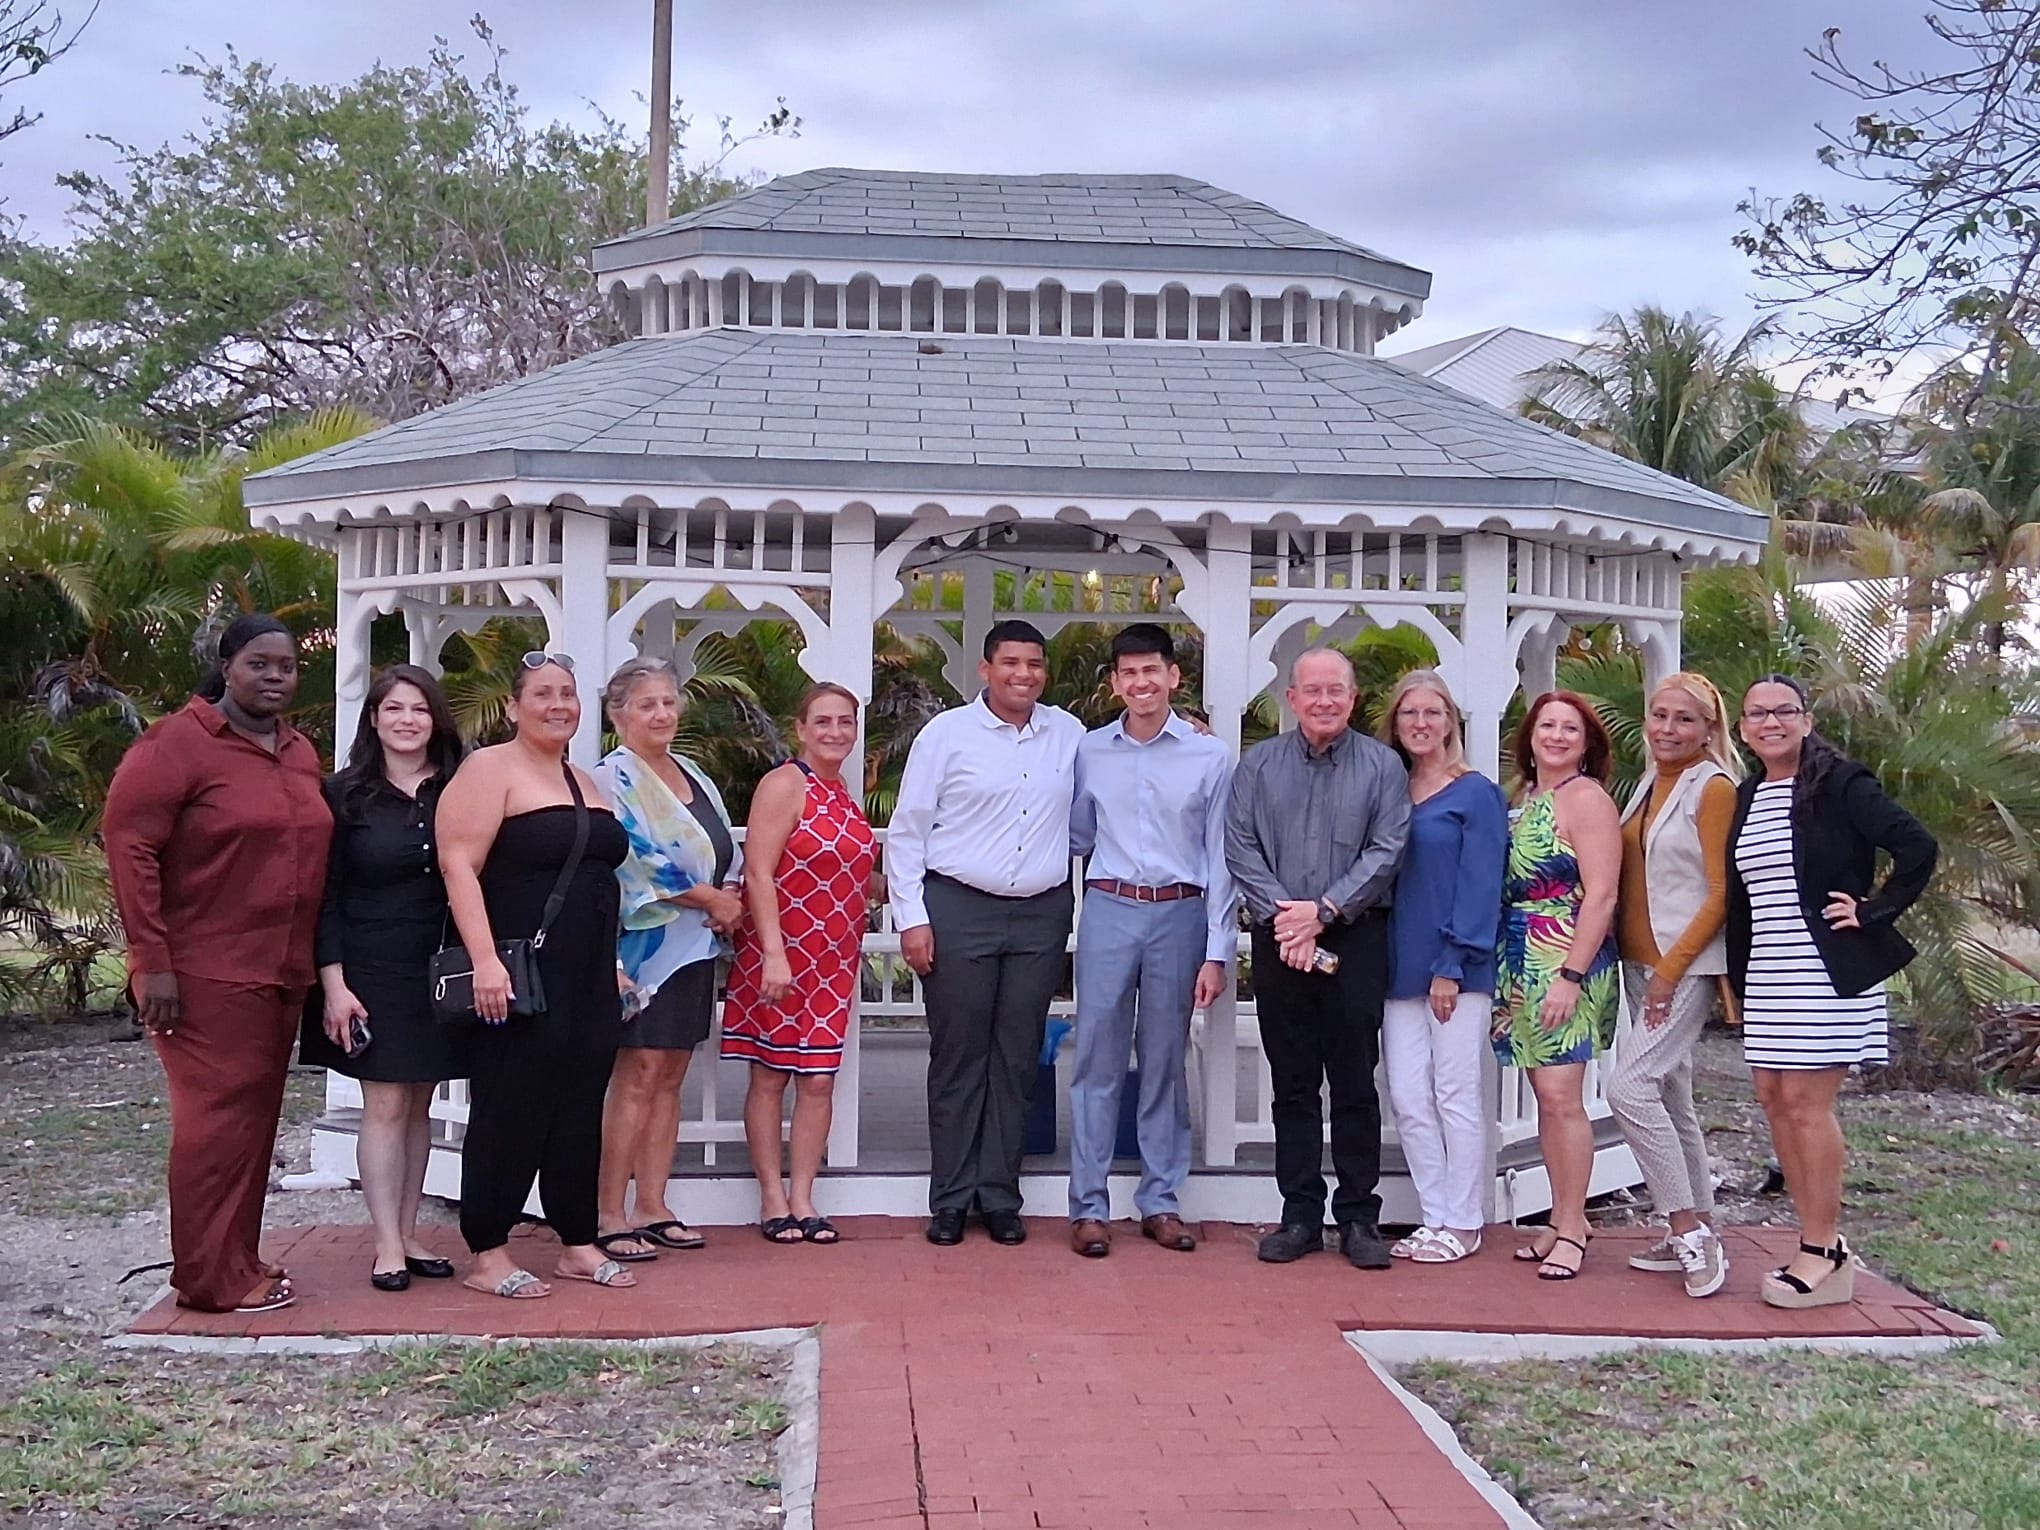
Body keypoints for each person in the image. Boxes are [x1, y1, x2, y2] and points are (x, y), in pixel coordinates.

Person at [102, 613, 331, 1314]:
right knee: (214, 1126)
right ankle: (206, 1280)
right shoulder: (176, 744)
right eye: (259, 664)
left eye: (286, 666)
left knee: (253, 1125)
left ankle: (237, 1258)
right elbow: (130, 848)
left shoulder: (297, 751)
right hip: (203, 972)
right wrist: (151, 962)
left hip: (282, 970)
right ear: (227, 666)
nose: (275, 677)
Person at [1729, 675, 1936, 1308]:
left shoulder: (1842, 784)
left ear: (1806, 721)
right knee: (1774, 1099)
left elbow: (1917, 846)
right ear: (1743, 729)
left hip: (1824, 970)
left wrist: (1873, 910)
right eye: (1758, 714)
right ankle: (1813, 1239)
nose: (1771, 722)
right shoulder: (1748, 794)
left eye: (1784, 711)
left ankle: (1823, 1249)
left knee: (1805, 1103)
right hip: (1770, 970)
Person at [435, 652, 635, 1299]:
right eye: (543, 694)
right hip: (518, 970)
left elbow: (594, 880)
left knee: (578, 1105)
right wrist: (485, 961)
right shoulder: (489, 768)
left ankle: (576, 1239)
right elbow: (458, 865)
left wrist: (611, 965)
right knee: (510, 1104)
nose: (558, 705)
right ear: (514, 706)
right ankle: (488, 1250)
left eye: (568, 694)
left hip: (588, 975)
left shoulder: (584, 779)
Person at [888, 619, 1084, 1247]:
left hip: (1040, 914)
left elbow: (1123, 764)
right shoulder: (946, 735)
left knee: (1017, 1056)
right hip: (958, 908)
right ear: (985, 669)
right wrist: (912, 917)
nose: (1023, 674)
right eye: (1010, 663)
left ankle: (999, 1195)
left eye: (1034, 664)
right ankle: (950, 1199)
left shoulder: (1070, 735)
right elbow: (909, 830)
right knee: (959, 1054)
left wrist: (1189, 730)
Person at [1225, 647, 1410, 1270]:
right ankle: (1300, 1214)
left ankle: (1358, 1217)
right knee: (1293, 1083)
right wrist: (1289, 919)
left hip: (1354, 939)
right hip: (1280, 940)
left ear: (1353, 698)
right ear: (1292, 699)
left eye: (1336, 690)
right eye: (1312, 690)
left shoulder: (1383, 767)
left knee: (1356, 1082)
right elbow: (1240, 845)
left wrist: (1324, 912)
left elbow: (1387, 849)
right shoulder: (1258, 765)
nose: (1324, 701)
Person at [1065, 625, 1235, 1259]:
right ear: (1115, 683)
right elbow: (1078, 832)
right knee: (1096, 1058)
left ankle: (1161, 1200)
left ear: (1173, 677)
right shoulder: (1090, 750)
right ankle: (1088, 1206)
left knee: (1164, 1059)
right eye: (1129, 673)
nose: (1141, 683)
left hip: (1180, 912)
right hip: (1110, 906)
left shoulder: (1209, 756)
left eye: (1152, 671)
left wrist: (1217, 950)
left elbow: (1221, 856)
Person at [301, 664, 467, 1293]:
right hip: (369, 967)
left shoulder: (459, 787)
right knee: (386, 1101)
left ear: (435, 719)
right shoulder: (343, 795)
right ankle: (386, 1244)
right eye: (394, 708)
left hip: (441, 965)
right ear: (374, 719)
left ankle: (410, 1231)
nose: (407, 720)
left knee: (421, 1099)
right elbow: (325, 896)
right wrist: (334, 984)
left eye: (419, 709)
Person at [589, 657, 743, 1262]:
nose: (661, 714)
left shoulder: (695, 773)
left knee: (672, 1075)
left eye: (669, 702)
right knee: (638, 1074)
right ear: (618, 715)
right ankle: (609, 1212)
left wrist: (727, 894)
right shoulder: (610, 779)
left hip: (696, 946)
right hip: (640, 950)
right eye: (647, 704)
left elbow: (724, 846)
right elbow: (637, 860)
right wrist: (711, 899)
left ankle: (652, 1204)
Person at [723, 682, 878, 1245]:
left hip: (833, 961)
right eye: (823, 722)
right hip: (781, 954)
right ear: (801, 729)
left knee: (817, 1080)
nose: (835, 732)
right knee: (770, 1076)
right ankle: (772, 1196)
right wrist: (772, 953)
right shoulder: (786, 784)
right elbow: (758, 871)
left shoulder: (844, 794)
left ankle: (804, 1198)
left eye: (845, 722)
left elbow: (853, 872)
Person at [1609, 672, 1741, 1299]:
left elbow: (1719, 893)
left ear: (1709, 729)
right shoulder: (1650, 781)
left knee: (1629, 1090)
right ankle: (1701, 1221)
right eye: (1659, 715)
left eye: (1684, 719)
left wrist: (1669, 972)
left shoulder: (1712, 788)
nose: (1668, 728)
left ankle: (1689, 1231)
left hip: (1682, 967)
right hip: (1639, 963)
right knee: (1672, 1096)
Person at [1379, 669, 1507, 1265]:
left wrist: (1452, 964)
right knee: (1407, 1096)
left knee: (1455, 1092)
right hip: (1397, 967)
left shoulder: (1476, 793)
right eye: (1410, 713)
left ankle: (1464, 1219)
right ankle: (1434, 1215)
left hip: (1455, 967)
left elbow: (1481, 885)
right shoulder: (1390, 790)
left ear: (1451, 721)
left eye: (1433, 712)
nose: (1421, 723)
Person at [1493, 691, 1622, 1281]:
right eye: (1547, 725)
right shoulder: (1524, 798)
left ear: (1587, 742)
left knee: (1563, 1098)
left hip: (1565, 956)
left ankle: (1572, 1228)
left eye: (1571, 728)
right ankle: (1563, 1216)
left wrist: (1571, 975)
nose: (1557, 736)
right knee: (1546, 1097)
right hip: (1520, 957)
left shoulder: (1586, 799)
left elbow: (1602, 895)